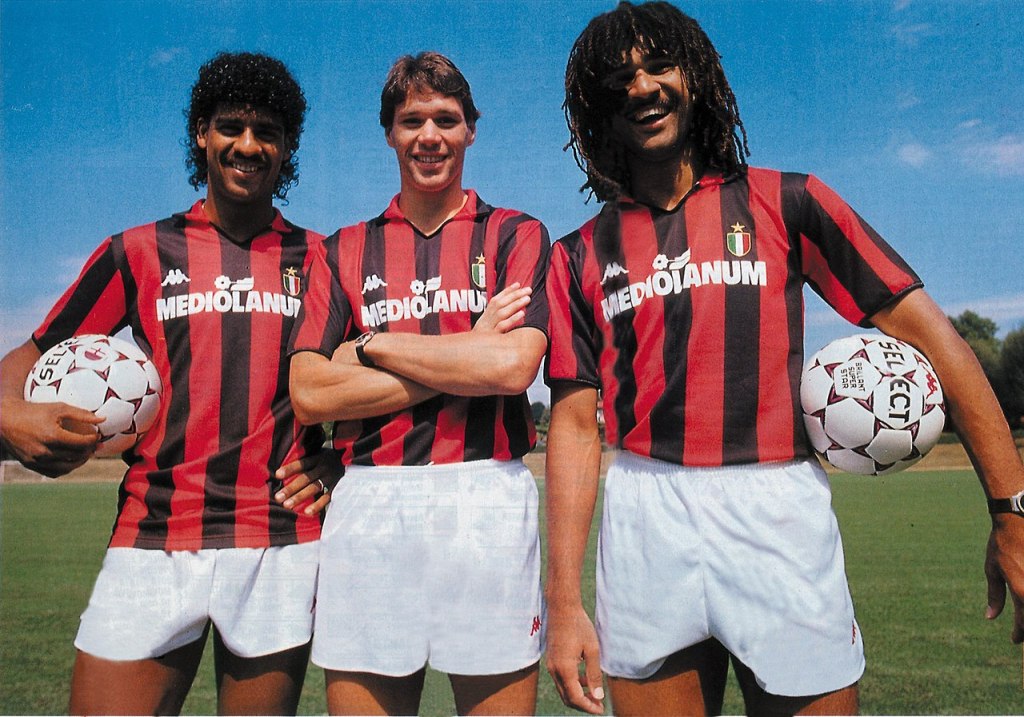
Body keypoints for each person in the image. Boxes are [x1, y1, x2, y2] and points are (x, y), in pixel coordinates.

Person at [543, 3, 1024, 715]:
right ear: (595, 111)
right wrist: (562, 603)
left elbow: (937, 341)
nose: (640, 87)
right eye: (617, 79)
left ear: (696, 77)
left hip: (776, 511)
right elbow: (578, 429)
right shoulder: (578, 253)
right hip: (646, 515)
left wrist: (1012, 512)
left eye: (657, 66)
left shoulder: (787, 201)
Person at [0, 52, 333, 715]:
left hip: (277, 536)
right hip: (153, 533)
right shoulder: (140, 250)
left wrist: (339, 463)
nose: (248, 144)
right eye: (231, 125)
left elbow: (358, 386)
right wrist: (10, 417)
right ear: (201, 134)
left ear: (287, 145)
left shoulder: (322, 259)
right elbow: (29, 356)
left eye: (267, 130)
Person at [284, 51, 549, 716]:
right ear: (389, 133)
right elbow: (312, 391)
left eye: (446, 119)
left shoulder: (516, 233)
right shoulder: (342, 248)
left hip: (487, 495)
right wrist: (469, 347)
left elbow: (513, 368)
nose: (429, 134)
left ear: (470, 131)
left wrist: (371, 344)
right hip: (369, 500)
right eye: (412, 121)